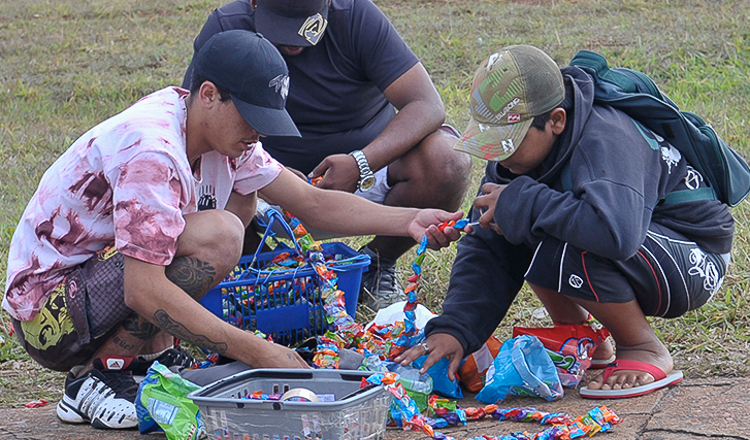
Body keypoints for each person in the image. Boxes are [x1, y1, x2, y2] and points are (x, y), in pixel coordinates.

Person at [3, 30, 464, 430]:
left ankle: (148, 358)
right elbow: (143, 288)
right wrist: (259, 352)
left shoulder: (221, 136)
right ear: (208, 95)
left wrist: (408, 218)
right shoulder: (153, 151)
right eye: (251, 117)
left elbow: (313, 204)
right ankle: (95, 377)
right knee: (221, 233)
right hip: (49, 316)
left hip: (94, 287)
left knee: (238, 206)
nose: (258, 133)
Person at [396, 45, 734, 399]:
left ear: (556, 120)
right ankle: (583, 337)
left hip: (691, 256)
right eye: (492, 142)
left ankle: (642, 346)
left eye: (509, 142)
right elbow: (487, 244)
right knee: (516, 217)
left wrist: (523, 203)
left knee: (539, 218)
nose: (500, 155)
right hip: (641, 245)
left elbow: (616, 234)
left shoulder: (606, 137)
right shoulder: (514, 159)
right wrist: (456, 330)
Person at [183, 0, 473, 311]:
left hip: (359, 174)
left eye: (306, 23)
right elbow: (197, 127)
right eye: (281, 24)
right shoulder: (227, 29)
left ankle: (377, 265)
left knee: (448, 161)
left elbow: (427, 105)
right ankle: (265, 277)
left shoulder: (356, 17)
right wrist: (270, 174)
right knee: (219, 183)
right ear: (254, 2)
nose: (294, 41)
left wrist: (361, 162)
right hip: (265, 185)